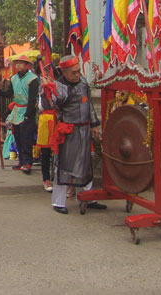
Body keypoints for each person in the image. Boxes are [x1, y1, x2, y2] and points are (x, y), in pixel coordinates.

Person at [40, 55, 106, 214]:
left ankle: (87, 198)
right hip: (69, 131)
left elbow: (89, 105)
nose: (77, 75)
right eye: (73, 73)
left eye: (78, 71)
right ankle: (58, 202)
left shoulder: (83, 83)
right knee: (64, 166)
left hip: (84, 130)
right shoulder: (59, 86)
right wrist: (46, 91)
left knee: (86, 163)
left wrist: (94, 124)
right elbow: (48, 104)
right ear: (64, 71)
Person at [0, 55, 38, 174]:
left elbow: (33, 99)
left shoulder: (32, 79)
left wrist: (28, 115)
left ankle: (28, 162)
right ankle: (21, 161)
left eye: (21, 63)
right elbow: (8, 94)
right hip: (17, 111)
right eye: (16, 63)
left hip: (28, 111)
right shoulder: (13, 78)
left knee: (26, 138)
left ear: (26, 65)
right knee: (17, 137)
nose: (18, 65)